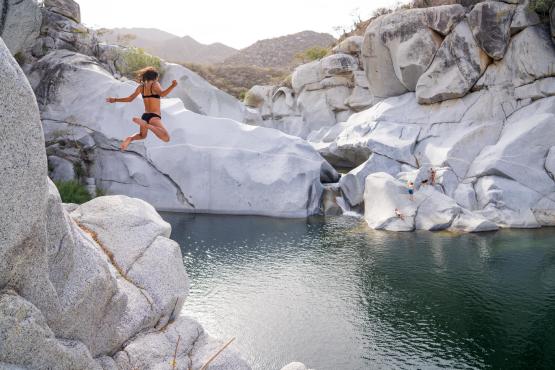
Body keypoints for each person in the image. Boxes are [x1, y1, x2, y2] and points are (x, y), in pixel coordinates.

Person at [106, 67, 178, 151]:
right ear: (155, 78)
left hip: (145, 116)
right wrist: (173, 86)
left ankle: (130, 138)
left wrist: (115, 100)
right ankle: (146, 125)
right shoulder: (155, 84)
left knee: (142, 135)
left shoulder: (141, 87)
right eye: (157, 78)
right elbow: (162, 94)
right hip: (154, 116)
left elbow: (130, 99)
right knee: (166, 138)